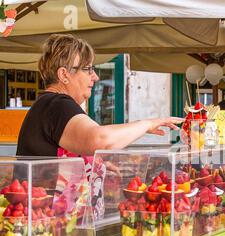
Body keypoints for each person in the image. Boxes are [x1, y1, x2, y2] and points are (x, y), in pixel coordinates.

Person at [17, 34, 183, 159]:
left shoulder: (48, 104)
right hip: (48, 205)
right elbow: (100, 140)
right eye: (88, 69)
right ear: (64, 75)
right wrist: (148, 123)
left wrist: (90, 164)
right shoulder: (57, 104)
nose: (95, 76)